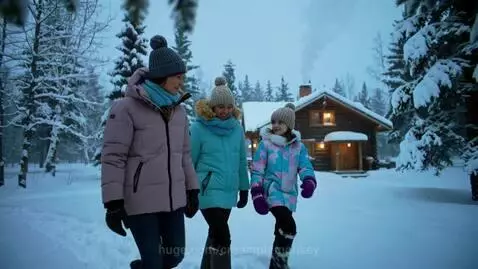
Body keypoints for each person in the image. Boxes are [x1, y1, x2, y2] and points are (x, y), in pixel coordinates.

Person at [100, 35, 200, 269]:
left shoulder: (179, 111)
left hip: (173, 199)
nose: (181, 81)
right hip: (139, 200)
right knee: (153, 262)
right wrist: (113, 203)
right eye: (178, 76)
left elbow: (184, 154)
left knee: (175, 255)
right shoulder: (126, 108)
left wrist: (192, 189)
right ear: (162, 76)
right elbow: (114, 156)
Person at [189, 76, 250, 269]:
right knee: (223, 236)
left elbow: (241, 160)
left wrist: (244, 188)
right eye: (220, 107)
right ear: (212, 107)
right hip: (206, 191)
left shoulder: (236, 129)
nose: (225, 111)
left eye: (229, 106)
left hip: (228, 191)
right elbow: (189, 161)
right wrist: (187, 192)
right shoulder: (198, 128)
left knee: (214, 234)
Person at [249, 103, 317, 269]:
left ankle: (277, 263)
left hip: (290, 194)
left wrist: (309, 180)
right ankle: (280, 263)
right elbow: (257, 170)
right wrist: (257, 193)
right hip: (272, 191)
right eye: (274, 122)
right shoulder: (266, 145)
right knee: (289, 226)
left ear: (290, 125)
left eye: (280, 122)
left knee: (281, 226)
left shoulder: (298, 147)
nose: (276, 125)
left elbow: (305, 166)